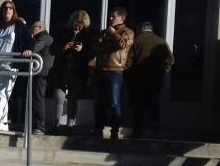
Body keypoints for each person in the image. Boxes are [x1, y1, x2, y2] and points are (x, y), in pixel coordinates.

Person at [0, 0, 34, 133]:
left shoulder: (19, 26)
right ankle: (3, 123)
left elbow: (29, 41)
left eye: (10, 8)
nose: (8, 10)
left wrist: (28, 49)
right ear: (1, 10)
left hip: (11, 65)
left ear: (13, 11)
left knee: (3, 94)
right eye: (5, 8)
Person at [49, 10, 95, 135]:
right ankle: (56, 124)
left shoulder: (87, 36)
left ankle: (70, 124)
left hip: (77, 72)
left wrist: (82, 50)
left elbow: (92, 54)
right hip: (62, 70)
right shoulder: (63, 33)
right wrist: (64, 47)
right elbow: (52, 50)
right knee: (59, 97)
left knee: (73, 99)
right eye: (76, 22)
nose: (78, 26)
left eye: (81, 23)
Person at [92, 7, 135, 140]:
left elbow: (123, 44)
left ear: (122, 18)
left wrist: (112, 34)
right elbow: (97, 48)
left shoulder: (127, 31)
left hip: (115, 70)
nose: (110, 18)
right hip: (101, 69)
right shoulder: (105, 32)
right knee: (99, 102)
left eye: (113, 16)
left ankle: (115, 131)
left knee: (114, 102)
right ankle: (98, 129)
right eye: (110, 16)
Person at [126, 22, 174, 138]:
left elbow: (129, 62)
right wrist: (163, 70)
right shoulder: (161, 41)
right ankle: (155, 129)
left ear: (142, 29)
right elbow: (170, 60)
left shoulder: (137, 41)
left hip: (139, 79)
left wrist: (129, 75)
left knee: (138, 107)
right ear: (151, 29)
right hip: (155, 79)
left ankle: (138, 131)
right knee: (154, 104)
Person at [30, 21, 54, 135]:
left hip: (41, 73)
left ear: (39, 28)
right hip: (40, 73)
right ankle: (36, 125)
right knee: (36, 98)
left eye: (33, 28)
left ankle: (40, 126)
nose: (31, 30)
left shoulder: (44, 37)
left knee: (38, 99)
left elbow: (34, 48)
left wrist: (29, 42)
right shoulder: (44, 37)